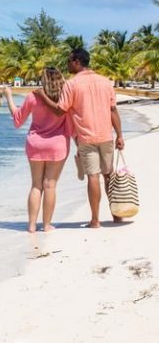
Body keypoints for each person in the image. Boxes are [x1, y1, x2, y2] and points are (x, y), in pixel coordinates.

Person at [34, 48, 125, 228]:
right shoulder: (105, 81)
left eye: (69, 61)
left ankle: (95, 220)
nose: (67, 64)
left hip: (86, 137)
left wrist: (42, 96)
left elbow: (60, 110)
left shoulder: (72, 84)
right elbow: (113, 110)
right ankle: (116, 215)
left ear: (77, 62)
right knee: (108, 175)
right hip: (106, 135)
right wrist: (120, 135)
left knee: (93, 176)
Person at [3, 67, 73, 233]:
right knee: (50, 185)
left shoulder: (33, 97)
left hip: (35, 144)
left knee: (36, 185)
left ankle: (32, 225)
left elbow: (17, 120)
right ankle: (47, 225)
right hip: (57, 144)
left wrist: (8, 97)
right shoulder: (65, 98)